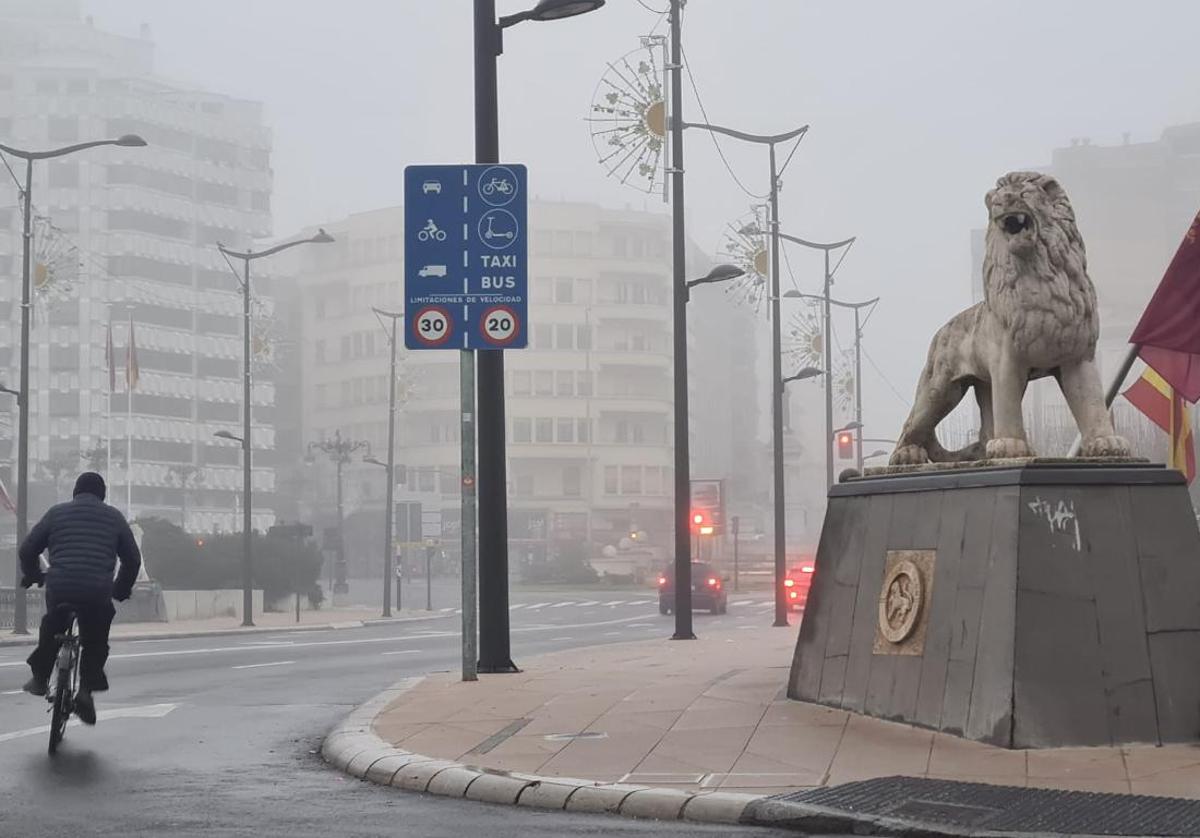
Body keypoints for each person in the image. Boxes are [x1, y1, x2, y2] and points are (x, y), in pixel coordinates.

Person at [19, 472, 141, 725]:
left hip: (60, 586)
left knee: (52, 624)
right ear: (103, 495)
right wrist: (120, 589)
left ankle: (41, 677)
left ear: (75, 492)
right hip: (97, 591)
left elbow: (28, 549)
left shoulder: (56, 513)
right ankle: (85, 691)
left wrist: (33, 574)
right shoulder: (114, 518)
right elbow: (132, 560)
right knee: (95, 641)